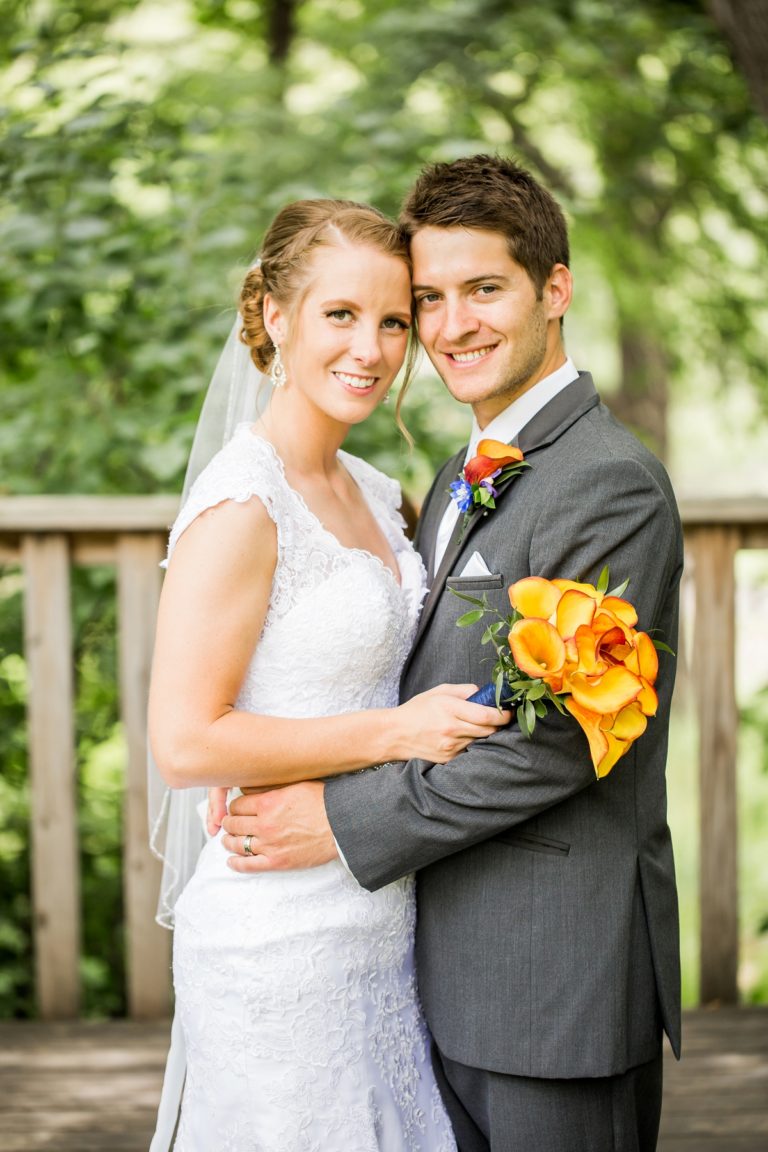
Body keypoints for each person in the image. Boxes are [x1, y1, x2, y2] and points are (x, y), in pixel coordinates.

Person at [220, 156, 683, 1152]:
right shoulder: (455, 474)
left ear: (554, 289)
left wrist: (336, 819)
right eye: (428, 299)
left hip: (552, 982)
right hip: (433, 963)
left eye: (485, 290)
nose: (451, 325)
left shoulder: (609, 484)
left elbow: (559, 742)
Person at [147, 197, 510, 1151]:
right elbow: (186, 740)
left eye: (394, 321)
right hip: (275, 936)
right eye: (340, 315)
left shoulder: (382, 495)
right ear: (274, 316)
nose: (373, 348)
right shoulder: (241, 502)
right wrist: (395, 734)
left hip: (383, 914)